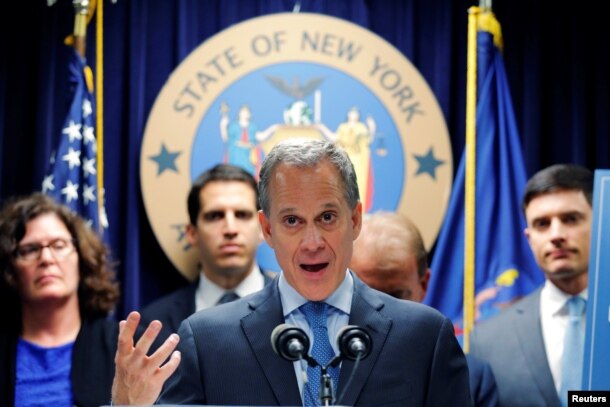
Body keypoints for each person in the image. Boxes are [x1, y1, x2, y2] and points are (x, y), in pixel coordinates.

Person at [112, 139, 471, 406]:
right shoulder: (207, 341)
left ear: (355, 219)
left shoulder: (425, 337)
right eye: (292, 221)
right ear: (267, 229)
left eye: (327, 217)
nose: (312, 241)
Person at [470, 164, 593, 407]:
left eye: (570, 219)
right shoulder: (488, 340)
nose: (556, 234)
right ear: (530, 238)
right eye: (542, 224)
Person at [349, 211, 499, 407]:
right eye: (369, 294)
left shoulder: (472, 380)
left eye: (396, 295)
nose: (382, 310)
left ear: (424, 284)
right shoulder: (314, 364)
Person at [0, 193, 122, 407]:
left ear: (81, 258)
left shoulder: (121, 348)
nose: (46, 259)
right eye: (30, 249)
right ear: (11, 269)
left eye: (58, 245)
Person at [140, 163, 276, 342]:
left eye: (242, 215)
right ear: (192, 233)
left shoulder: (295, 310)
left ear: (262, 228)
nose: (230, 229)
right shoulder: (152, 326)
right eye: (215, 216)